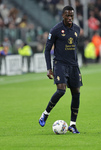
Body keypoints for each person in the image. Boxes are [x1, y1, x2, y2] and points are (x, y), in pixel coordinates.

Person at [39, 6, 82, 134]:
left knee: (76, 93)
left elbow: (75, 46)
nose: (70, 18)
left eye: (72, 16)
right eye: (68, 15)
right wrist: (49, 68)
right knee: (61, 90)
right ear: (63, 15)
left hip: (73, 66)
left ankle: (72, 125)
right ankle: (45, 114)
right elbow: (47, 50)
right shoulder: (56, 30)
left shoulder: (77, 29)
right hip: (60, 64)